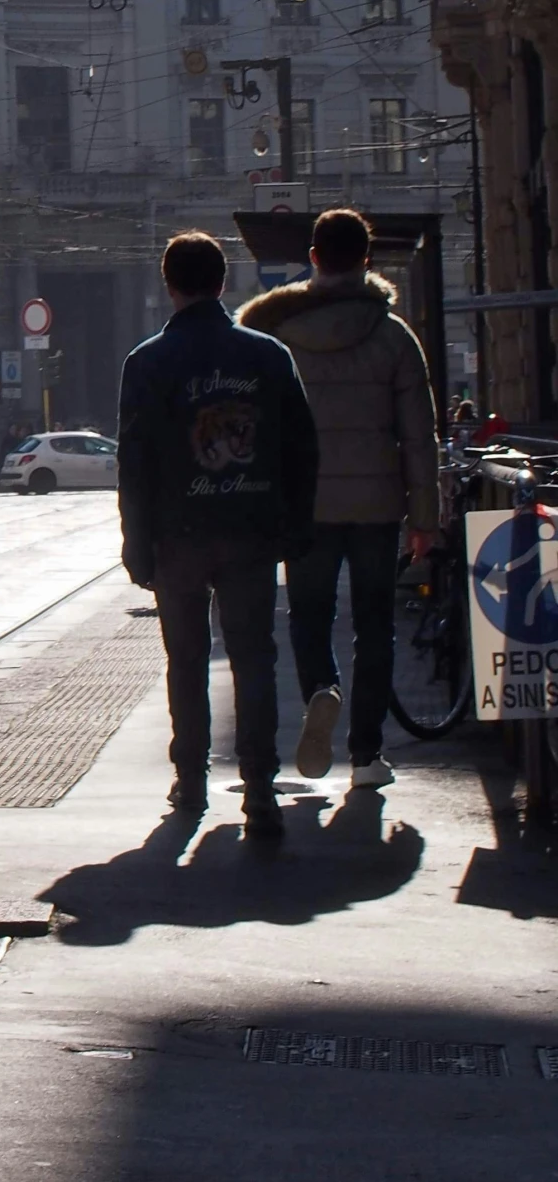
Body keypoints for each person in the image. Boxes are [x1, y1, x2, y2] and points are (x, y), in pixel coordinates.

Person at [118, 231, 319, 838]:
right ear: (223, 283)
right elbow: (301, 447)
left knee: (185, 660)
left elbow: (134, 460)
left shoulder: (147, 362)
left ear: (169, 285)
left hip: (177, 534)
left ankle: (192, 779)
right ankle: (259, 784)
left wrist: (136, 540)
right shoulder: (267, 355)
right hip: (251, 528)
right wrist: (295, 523)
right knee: (254, 656)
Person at [238, 208, 439, 790]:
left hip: (307, 505)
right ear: (368, 261)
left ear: (314, 258)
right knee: (375, 625)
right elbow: (418, 436)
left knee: (308, 616)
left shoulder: (279, 336)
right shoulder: (395, 337)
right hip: (378, 505)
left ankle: (321, 691)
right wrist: (425, 518)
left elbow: (261, 429)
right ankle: (367, 755)